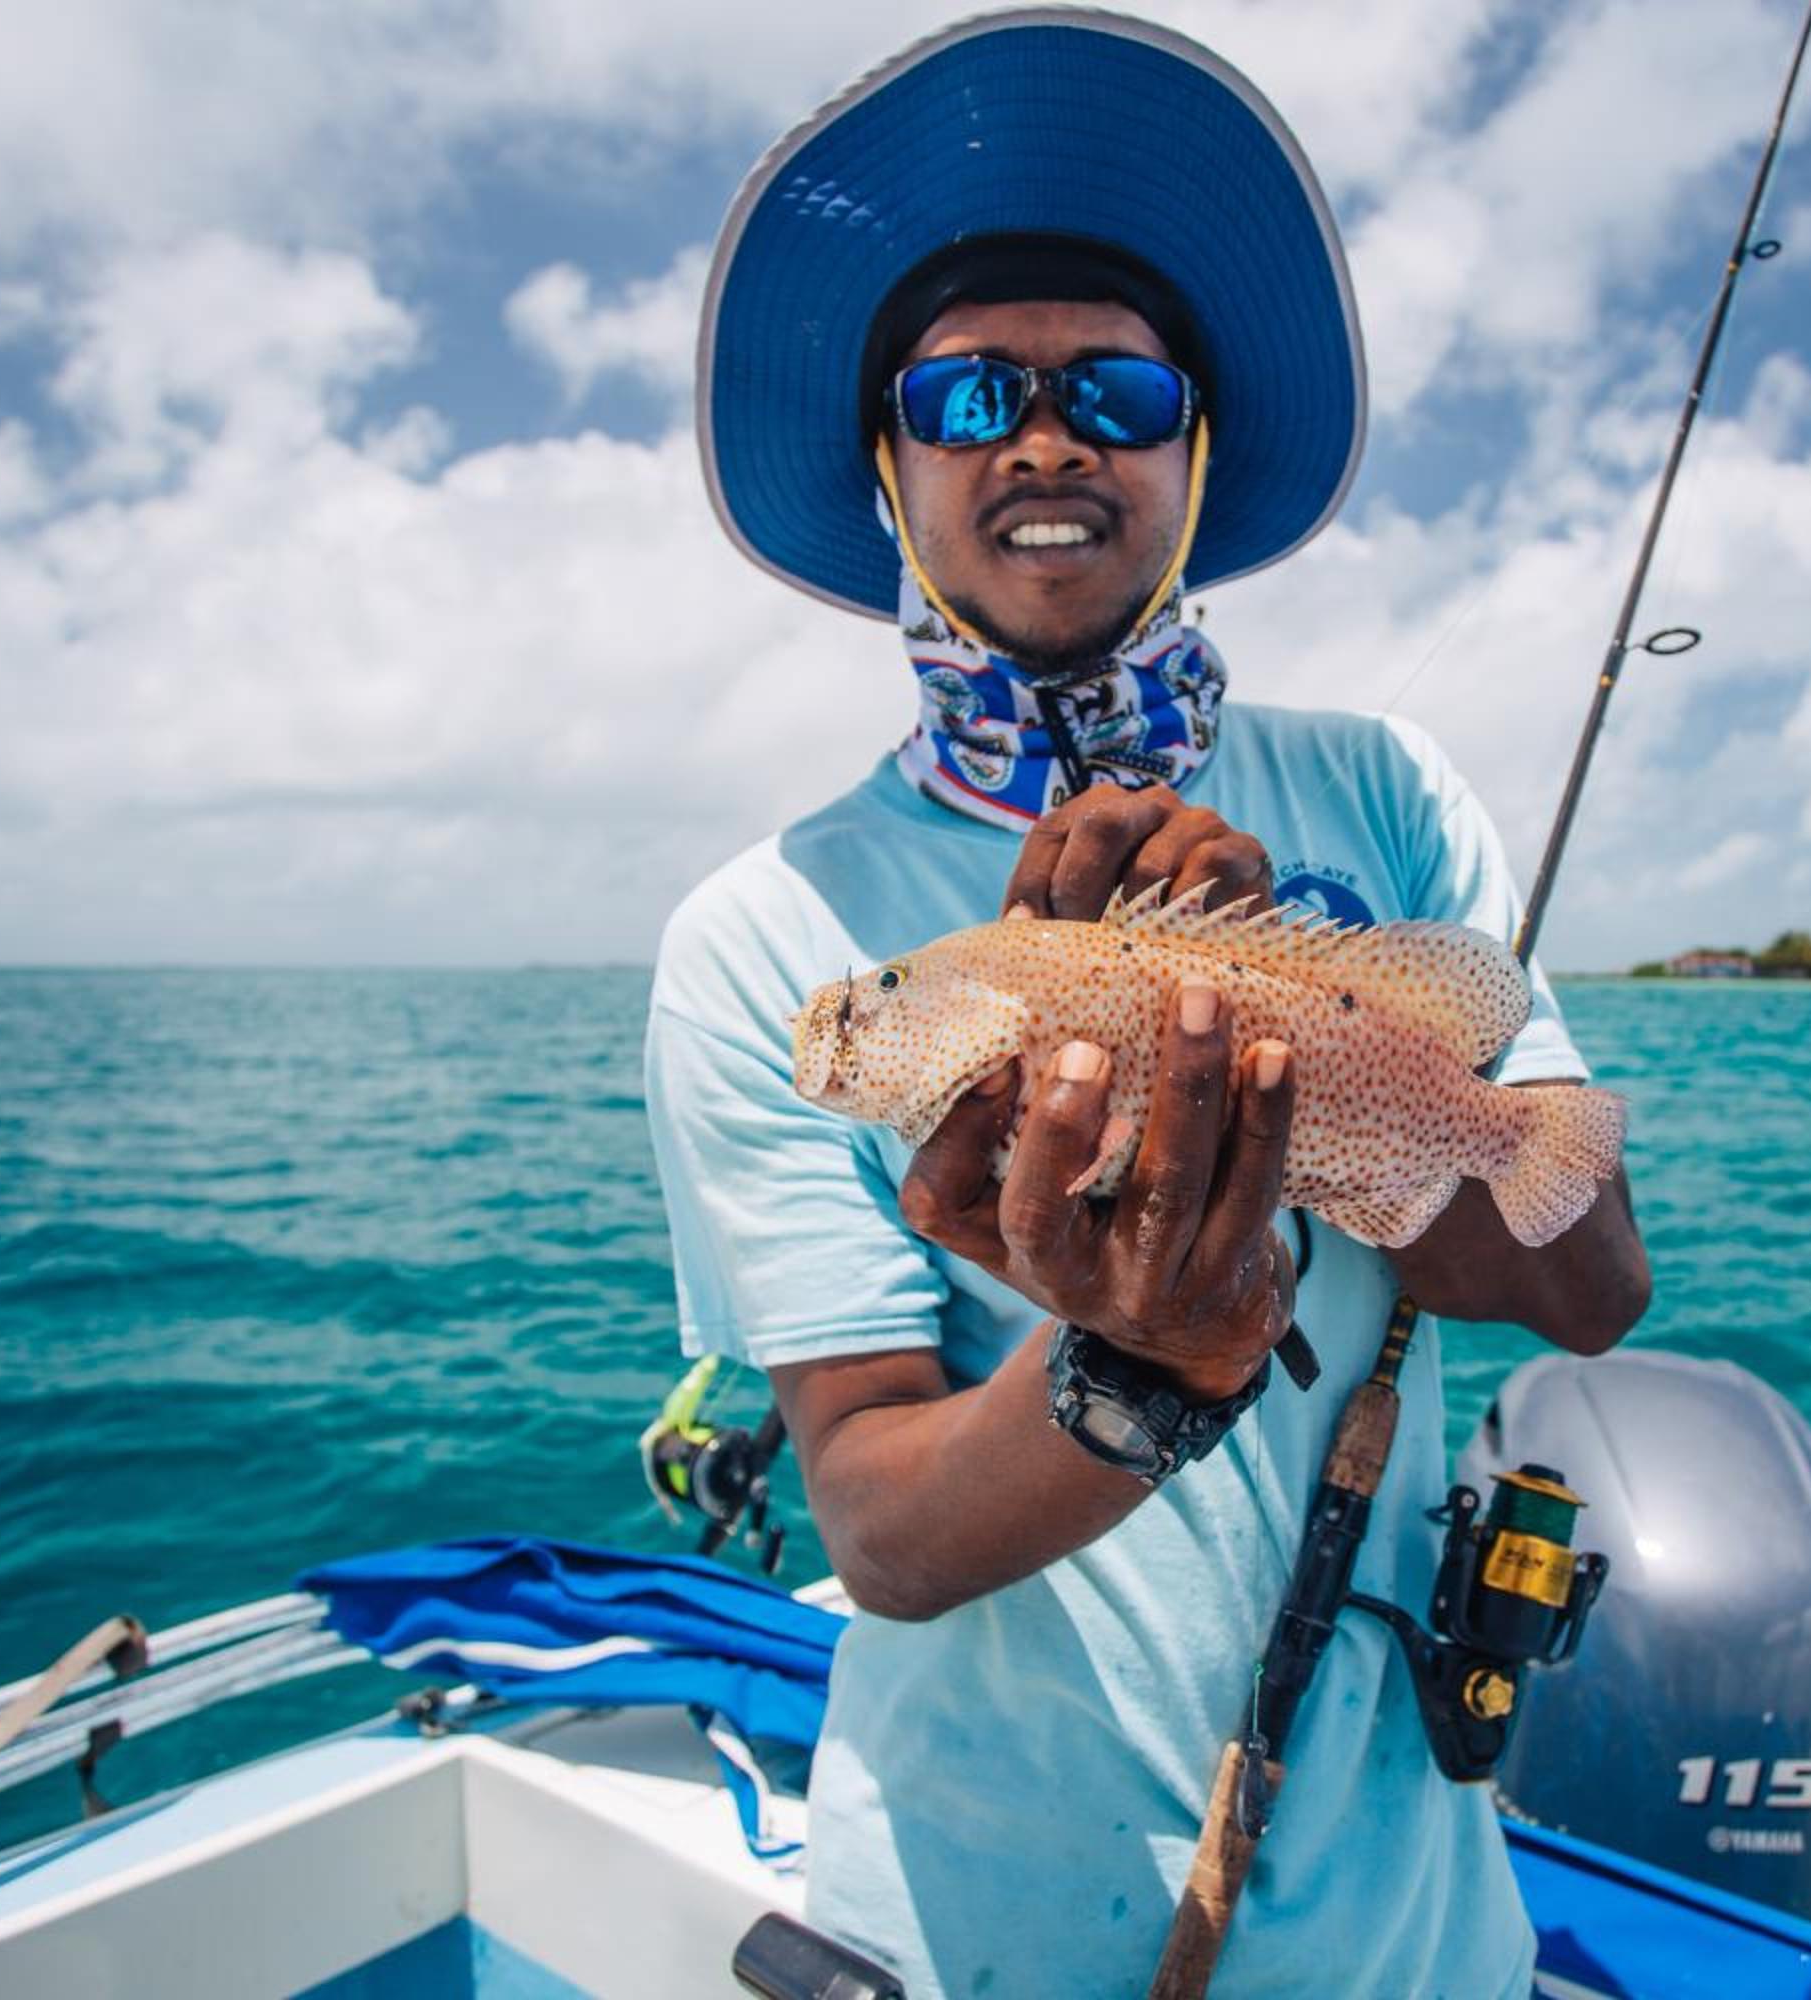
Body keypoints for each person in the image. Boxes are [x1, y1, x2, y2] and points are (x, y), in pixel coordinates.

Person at [645, 12, 1649, 1995]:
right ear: (885, 469)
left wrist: (1316, 1060)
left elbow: (1592, 1281)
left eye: (1114, 391)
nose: (1043, 440)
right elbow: (880, 1533)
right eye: (963, 396)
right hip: (975, 1928)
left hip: (1413, 1935)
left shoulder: (1382, 790)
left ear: (1191, 457)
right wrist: (1146, 1369)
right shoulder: (758, 935)